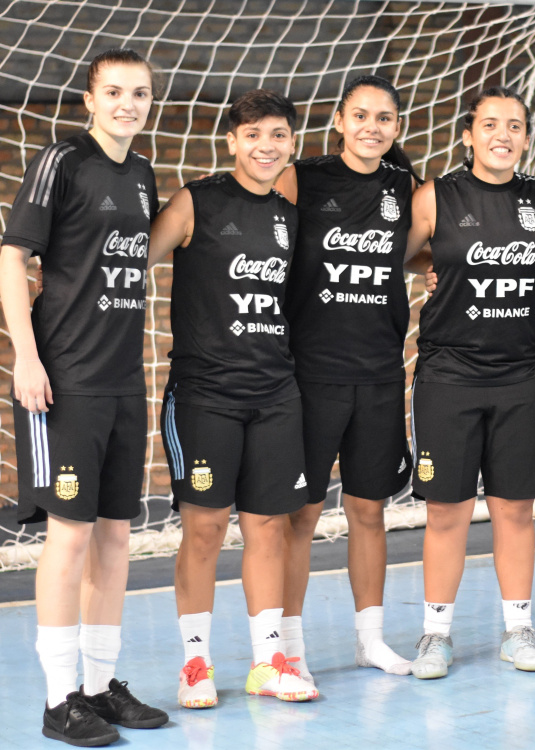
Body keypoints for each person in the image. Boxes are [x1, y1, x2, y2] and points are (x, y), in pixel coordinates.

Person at [0, 48, 168, 747]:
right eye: (115, 92)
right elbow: (12, 257)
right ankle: (57, 699)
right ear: (90, 100)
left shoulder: (143, 175)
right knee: (67, 537)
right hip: (64, 378)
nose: (128, 103)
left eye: (140, 93)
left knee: (116, 536)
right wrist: (26, 359)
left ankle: (99, 688)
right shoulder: (62, 162)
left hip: (124, 379)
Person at [149, 89, 318, 706]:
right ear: (232, 141)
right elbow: (132, 256)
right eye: (253, 135)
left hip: (275, 390)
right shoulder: (197, 200)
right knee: (205, 529)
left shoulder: (289, 214)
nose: (266, 146)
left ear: (291, 143)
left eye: (277, 135)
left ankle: (269, 661)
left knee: (269, 526)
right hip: (204, 393)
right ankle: (196, 664)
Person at [404, 87, 535, 679]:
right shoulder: (436, 196)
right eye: (490, 124)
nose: (503, 134)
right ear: (468, 134)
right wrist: (432, 271)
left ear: (526, 136)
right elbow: (394, 257)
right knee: (447, 512)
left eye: (515, 126)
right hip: (448, 375)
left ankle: (518, 629)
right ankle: (435, 635)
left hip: (518, 372)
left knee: (514, 510)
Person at [275, 75, 425, 680]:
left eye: (384, 118)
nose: (372, 127)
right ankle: (289, 645)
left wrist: (434, 267)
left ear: (397, 127)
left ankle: (371, 640)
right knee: (303, 515)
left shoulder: (404, 184)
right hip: (311, 373)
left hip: (381, 372)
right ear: (339, 120)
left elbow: (406, 250)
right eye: (360, 116)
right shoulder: (302, 177)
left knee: (369, 511)